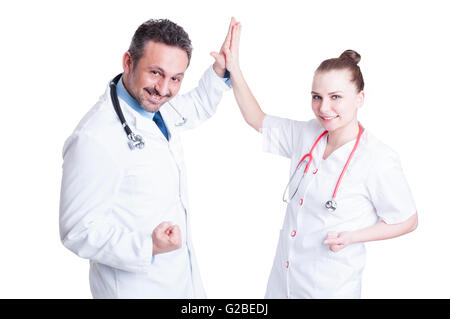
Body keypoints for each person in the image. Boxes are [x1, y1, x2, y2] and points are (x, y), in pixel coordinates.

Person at [223, 20, 418, 298]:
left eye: (335, 97)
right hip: (284, 281)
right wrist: (235, 71)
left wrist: (353, 236)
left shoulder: (378, 158)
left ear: (360, 98)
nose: (323, 108)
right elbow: (257, 119)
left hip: (329, 287)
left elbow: (408, 220)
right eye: (316, 97)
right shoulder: (307, 134)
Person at [59, 18, 237, 298]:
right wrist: (147, 246)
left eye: (176, 78)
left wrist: (219, 71)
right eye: (155, 73)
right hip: (135, 290)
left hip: (179, 282)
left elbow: (195, 106)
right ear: (128, 62)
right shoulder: (94, 138)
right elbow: (77, 230)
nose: (164, 89)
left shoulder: (157, 108)